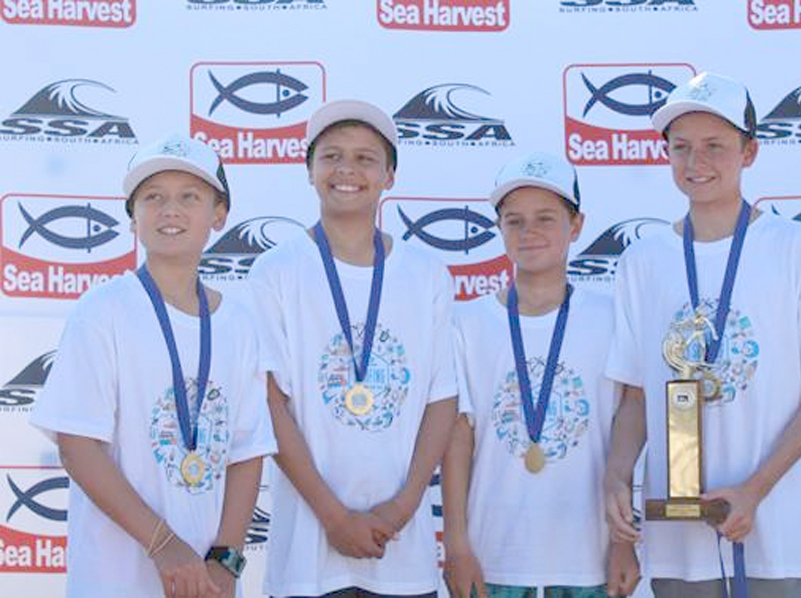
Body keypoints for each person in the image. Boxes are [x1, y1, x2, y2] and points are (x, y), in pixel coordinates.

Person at [603, 72, 801, 598]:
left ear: (749, 152)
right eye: (681, 147)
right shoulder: (643, 260)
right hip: (679, 540)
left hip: (774, 529)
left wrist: (755, 489)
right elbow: (635, 397)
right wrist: (616, 477)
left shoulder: (797, 248)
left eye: (715, 146)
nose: (695, 162)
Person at [30, 132, 277, 598]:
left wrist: (226, 560)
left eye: (190, 197)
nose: (170, 210)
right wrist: (163, 544)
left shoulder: (239, 323)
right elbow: (78, 446)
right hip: (114, 582)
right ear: (133, 218)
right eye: (153, 197)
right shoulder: (102, 311)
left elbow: (247, 452)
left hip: (207, 584)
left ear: (219, 214)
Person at [249, 99, 458, 598]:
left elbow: (442, 399)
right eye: (332, 156)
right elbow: (270, 403)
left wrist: (402, 508)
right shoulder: (276, 271)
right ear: (309, 171)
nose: (347, 169)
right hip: (306, 560)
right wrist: (334, 517)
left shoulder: (427, 274)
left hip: (402, 554)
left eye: (365, 158)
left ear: (389, 175)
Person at [442, 151, 640, 598]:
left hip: (587, 561)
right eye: (514, 221)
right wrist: (456, 544)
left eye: (546, 218)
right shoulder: (467, 322)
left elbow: (624, 430)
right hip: (493, 557)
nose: (528, 231)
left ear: (576, 225)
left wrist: (622, 542)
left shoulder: (611, 318)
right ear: (499, 229)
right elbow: (458, 439)